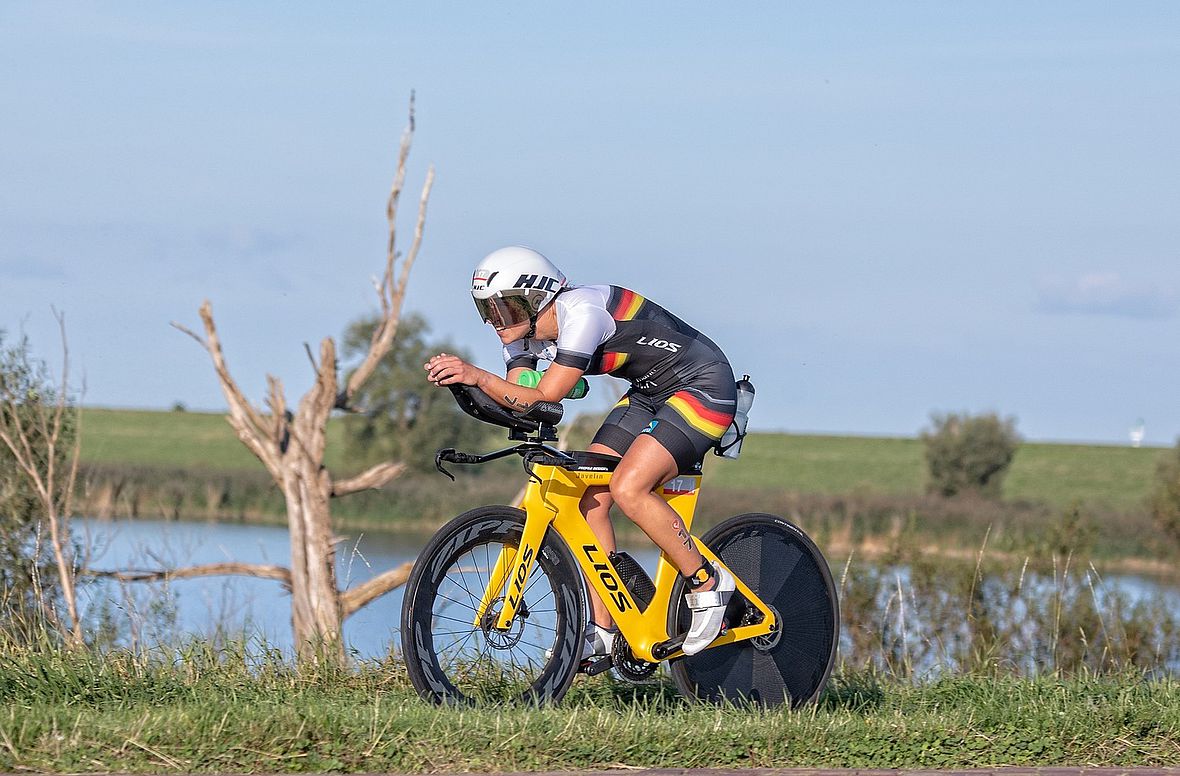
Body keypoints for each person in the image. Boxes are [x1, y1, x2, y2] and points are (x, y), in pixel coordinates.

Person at [424, 246, 738, 657]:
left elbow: (545, 392)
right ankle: (605, 629)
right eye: (488, 311)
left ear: (537, 299)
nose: (496, 322)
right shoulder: (522, 340)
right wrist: (467, 388)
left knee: (629, 487)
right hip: (649, 393)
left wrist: (476, 375)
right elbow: (523, 401)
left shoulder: (583, 314)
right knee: (591, 499)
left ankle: (707, 583)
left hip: (702, 385)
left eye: (505, 309)